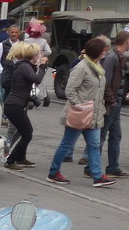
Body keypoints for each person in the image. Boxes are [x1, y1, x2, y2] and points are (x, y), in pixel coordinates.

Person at [47, 37, 115, 188]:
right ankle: (53, 172)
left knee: (94, 144)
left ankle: (97, 176)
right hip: (80, 113)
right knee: (67, 144)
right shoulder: (82, 67)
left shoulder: (98, 66)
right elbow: (70, 90)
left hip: (94, 114)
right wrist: (79, 106)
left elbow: (100, 90)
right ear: (97, 52)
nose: (106, 53)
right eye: (104, 50)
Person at [91, 30, 129, 179]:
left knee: (115, 135)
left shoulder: (119, 57)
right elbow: (105, 81)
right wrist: (111, 100)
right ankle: (92, 167)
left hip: (116, 101)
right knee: (102, 135)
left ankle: (113, 167)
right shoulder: (112, 58)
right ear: (127, 41)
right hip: (111, 102)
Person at [2, 41, 45, 171]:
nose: (39, 56)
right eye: (37, 54)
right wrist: (43, 66)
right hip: (15, 105)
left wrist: (38, 66)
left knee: (23, 132)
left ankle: (20, 158)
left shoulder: (24, 66)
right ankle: (10, 161)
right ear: (32, 55)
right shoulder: (24, 66)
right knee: (27, 133)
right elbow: (37, 80)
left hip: (15, 104)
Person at [25, 18, 52, 105]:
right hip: (40, 62)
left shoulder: (26, 41)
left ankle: (29, 96)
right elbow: (49, 51)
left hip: (29, 61)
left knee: (29, 79)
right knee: (40, 80)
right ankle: (40, 97)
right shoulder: (43, 41)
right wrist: (42, 54)